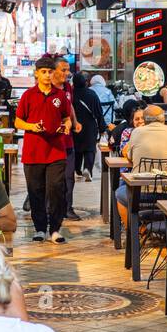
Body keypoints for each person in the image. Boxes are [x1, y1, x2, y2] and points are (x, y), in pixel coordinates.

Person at [14, 55, 71, 243]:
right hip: (33, 152)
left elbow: (66, 117)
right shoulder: (28, 96)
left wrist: (67, 125)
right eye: (43, 72)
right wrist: (31, 126)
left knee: (56, 189)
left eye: (50, 72)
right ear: (37, 74)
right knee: (35, 191)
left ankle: (55, 229)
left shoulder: (60, 95)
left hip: (56, 150)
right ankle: (39, 228)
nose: (47, 75)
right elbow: (18, 121)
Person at [115, 105, 167, 236]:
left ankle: (136, 233)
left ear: (145, 121)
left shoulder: (136, 133)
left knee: (119, 194)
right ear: (163, 120)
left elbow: (129, 156)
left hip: (140, 194)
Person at [53, 58, 83, 220]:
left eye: (68, 69)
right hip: (50, 141)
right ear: (54, 71)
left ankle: (67, 207)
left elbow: (70, 105)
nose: (67, 73)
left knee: (69, 176)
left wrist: (76, 122)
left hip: (67, 140)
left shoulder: (68, 87)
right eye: (63, 70)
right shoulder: (46, 89)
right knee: (50, 178)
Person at [71, 71, 105, 182]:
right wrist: (102, 128)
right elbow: (98, 113)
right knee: (89, 149)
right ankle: (87, 169)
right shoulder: (92, 94)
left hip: (74, 126)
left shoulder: (70, 94)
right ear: (86, 82)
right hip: (90, 126)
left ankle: (77, 170)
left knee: (77, 149)